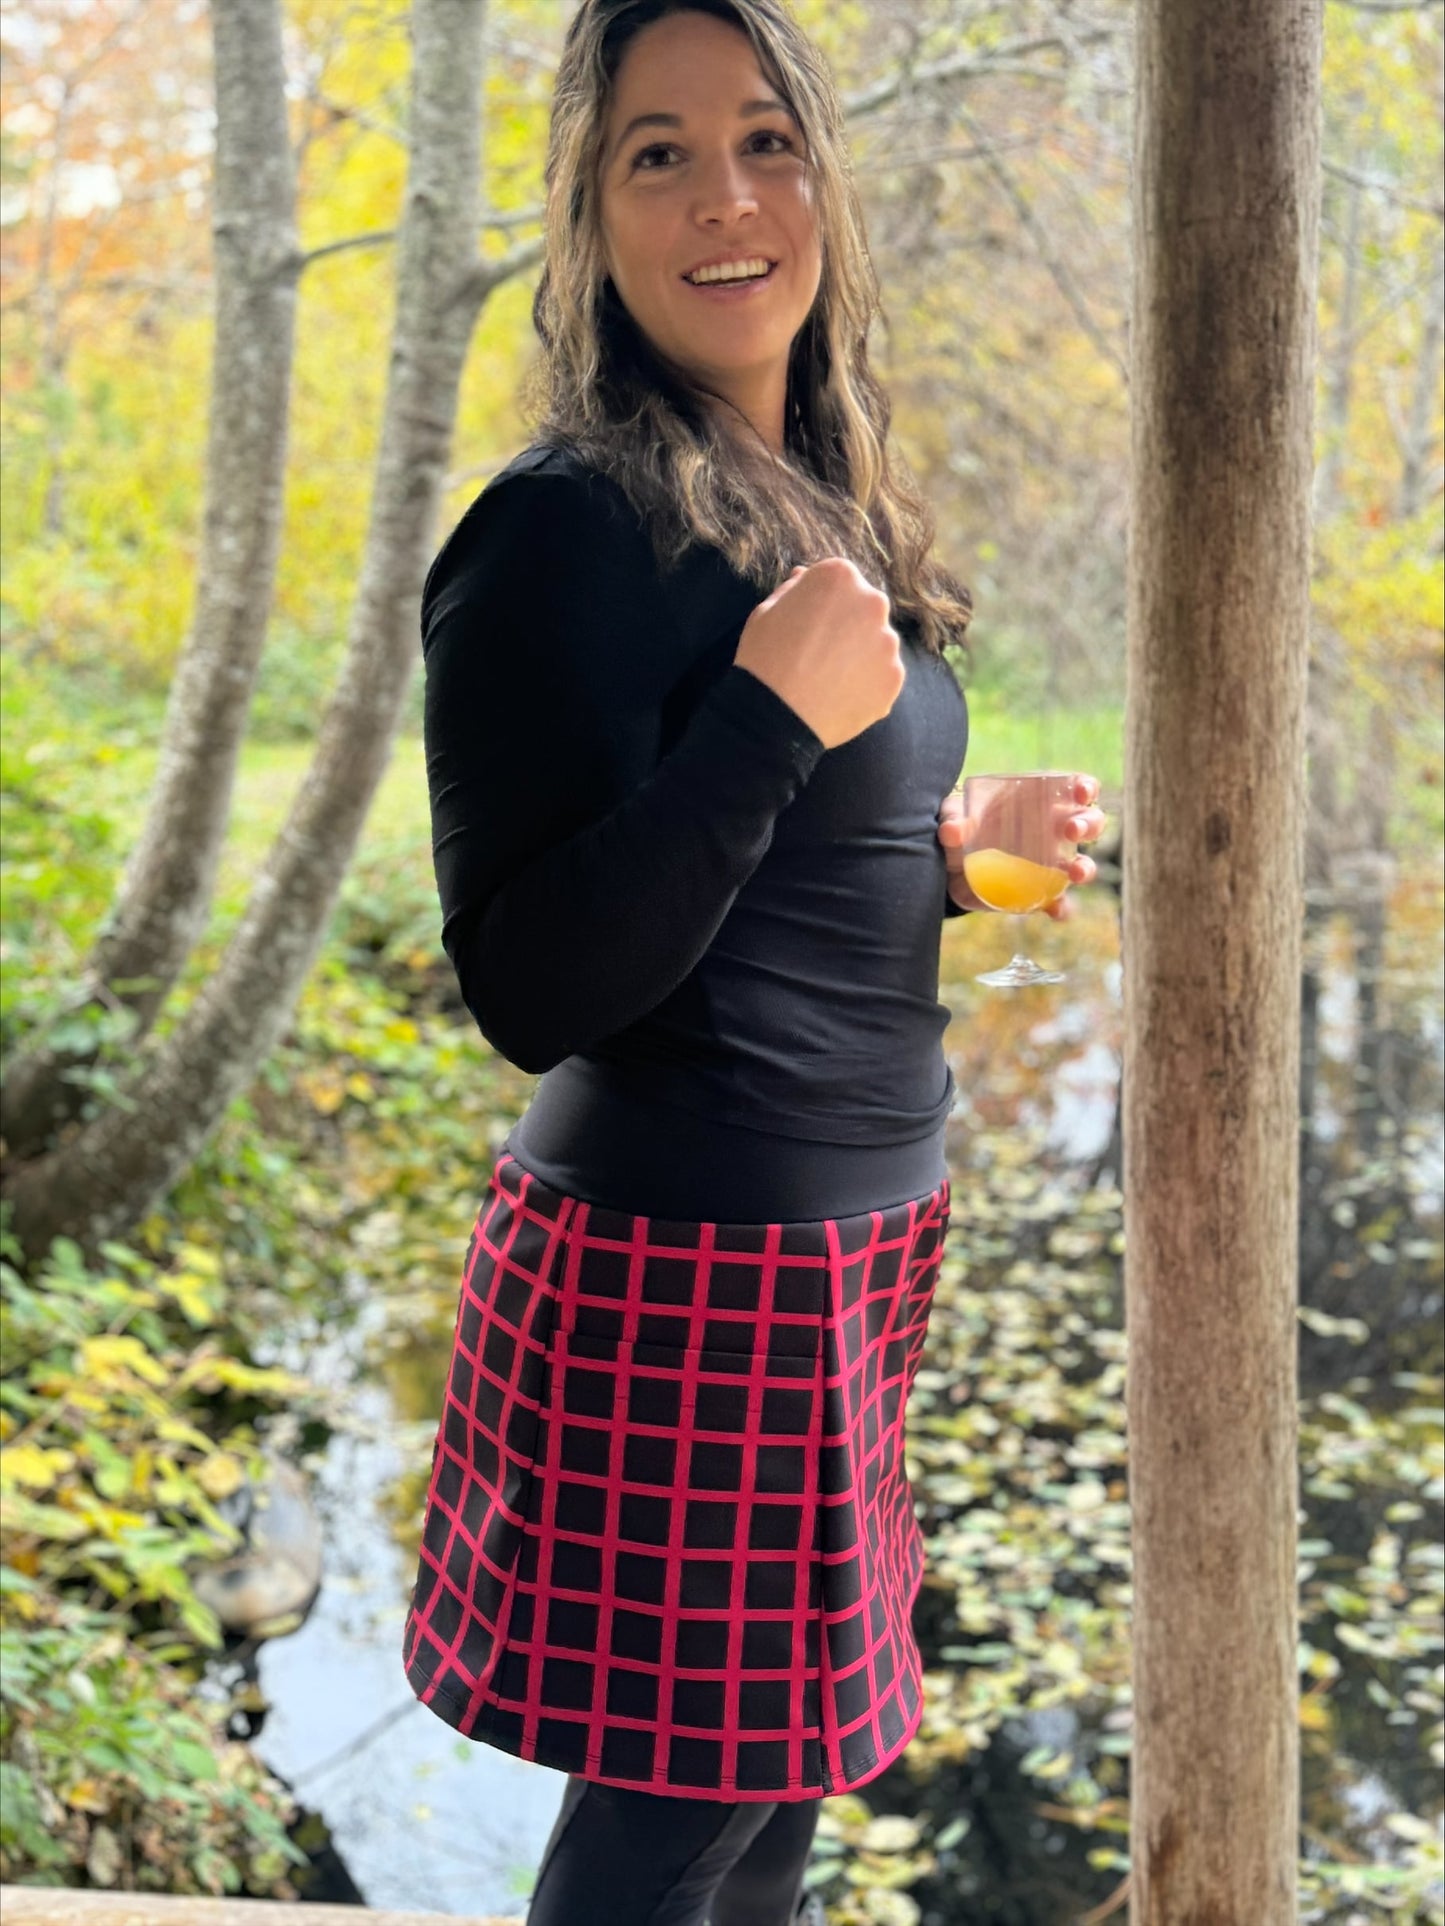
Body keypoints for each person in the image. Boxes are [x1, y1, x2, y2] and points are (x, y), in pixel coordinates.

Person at [400, 2, 1105, 1921]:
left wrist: (947, 864)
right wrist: (766, 726)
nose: (726, 195)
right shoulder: (558, 531)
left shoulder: (808, 489)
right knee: (665, 1840)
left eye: (766, 140)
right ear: (592, 214)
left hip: (847, 1253)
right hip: (685, 1264)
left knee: (765, 1816)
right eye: (660, 152)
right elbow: (531, 979)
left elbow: (754, 868)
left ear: (823, 184)